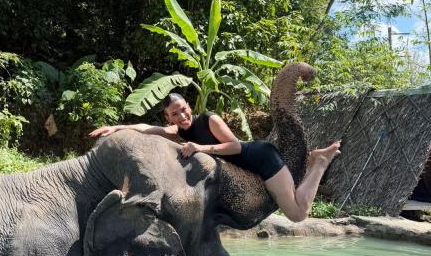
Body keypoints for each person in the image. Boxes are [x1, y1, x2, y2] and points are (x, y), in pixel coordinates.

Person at [89, 93, 340, 223]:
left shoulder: (209, 119)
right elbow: (147, 128)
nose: (182, 116)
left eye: (184, 109)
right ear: (168, 117)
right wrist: (117, 127)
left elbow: (235, 146)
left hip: (262, 159)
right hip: (251, 167)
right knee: (295, 206)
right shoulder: (177, 131)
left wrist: (200, 148)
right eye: (175, 114)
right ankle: (314, 163)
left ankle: (318, 163)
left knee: (297, 214)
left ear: (190, 106)